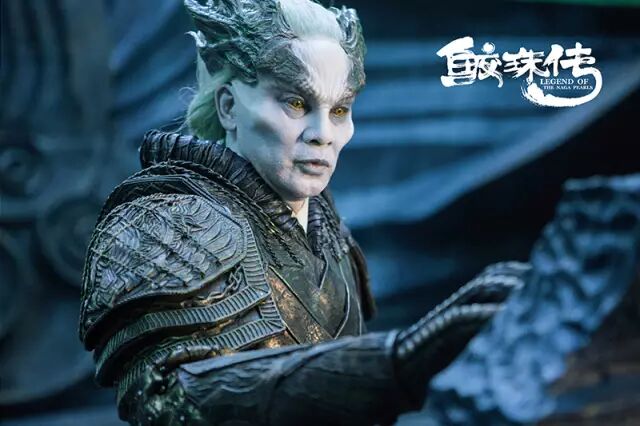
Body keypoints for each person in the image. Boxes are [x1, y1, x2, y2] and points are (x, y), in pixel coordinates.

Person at [78, 1, 526, 424]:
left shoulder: (326, 229)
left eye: (340, 109)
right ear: (229, 106)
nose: (323, 134)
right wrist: (391, 365)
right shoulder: (165, 221)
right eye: (296, 103)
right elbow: (167, 405)